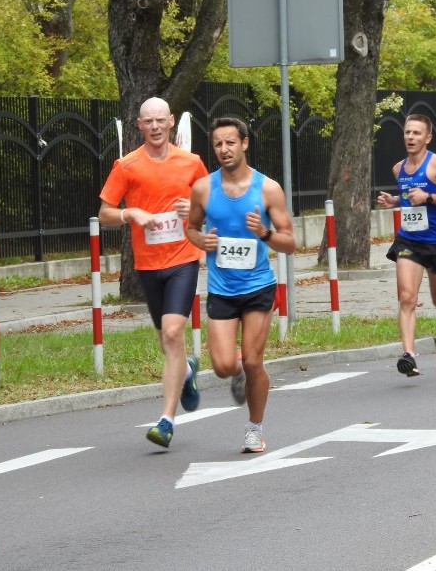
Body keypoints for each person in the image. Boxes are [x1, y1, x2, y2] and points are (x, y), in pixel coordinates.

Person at [98, 97, 209, 449]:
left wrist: (193, 208)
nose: (156, 126)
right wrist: (131, 215)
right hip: (148, 264)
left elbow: (213, 205)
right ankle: (188, 370)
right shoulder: (127, 166)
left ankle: (166, 420)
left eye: (162, 120)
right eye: (149, 121)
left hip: (183, 258)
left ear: (171, 121)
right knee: (167, 342)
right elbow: (105, 213)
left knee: (175, 333)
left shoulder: (191, 163)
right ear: (139, 125)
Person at [186, 116, 295, 453]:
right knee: (222, 366)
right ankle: (237, 372)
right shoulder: (204, 188)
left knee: (252, 361)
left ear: (244, 144)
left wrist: (264, 233)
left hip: (259, 286)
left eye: (230, 142)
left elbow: (290, 242)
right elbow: (190, 227)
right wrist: (201, 241)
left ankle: (254, 427)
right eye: (218, 144)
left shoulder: (268, 189)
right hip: (222, 288)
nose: (224, 149)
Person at [376, 114, 436, 377]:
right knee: (406, 298)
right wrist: (394, 201)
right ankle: (409, 356)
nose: (410, 137)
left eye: (416, 133)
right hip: (408, 241)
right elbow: (408, 199)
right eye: (407, 132)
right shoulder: (398, 168)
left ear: (427, 138)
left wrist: (428, 196)